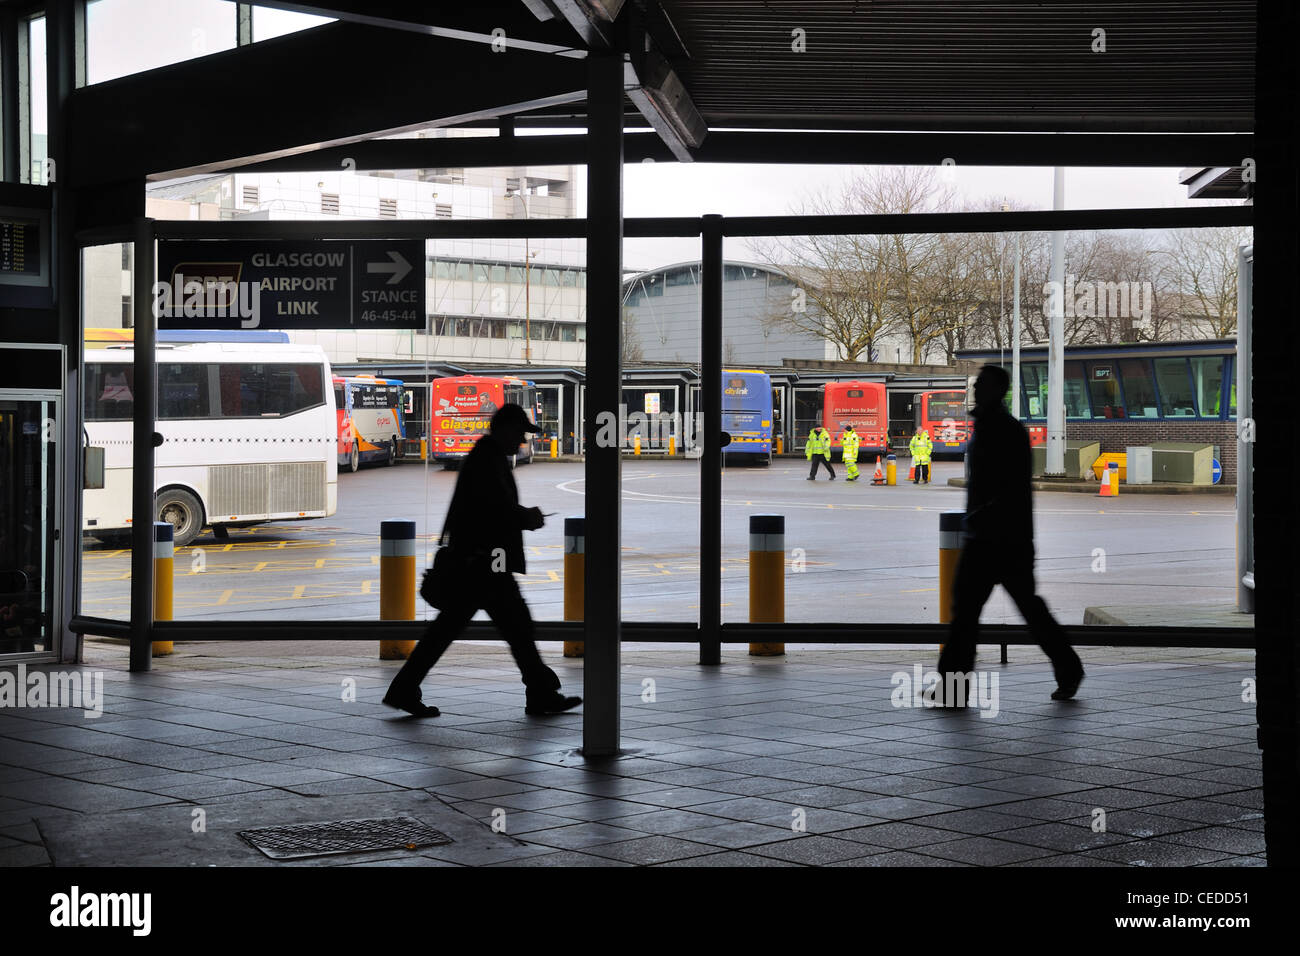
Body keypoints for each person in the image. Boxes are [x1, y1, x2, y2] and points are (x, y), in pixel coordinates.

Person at [383, 404, 582, 718]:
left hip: (479, 564)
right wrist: (527, 517)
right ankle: (541, 693)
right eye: (519, 434)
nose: (521, 442)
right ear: (504, 429)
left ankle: (404, 689)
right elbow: (494, 510)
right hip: (484, 565)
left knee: (456, 631)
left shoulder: (485, 456)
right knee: (516, 627)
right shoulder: (487, 460)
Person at [932, 365, 1084, 705]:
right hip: (1005, 538)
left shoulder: (999, 429)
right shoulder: (998, 427)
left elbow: (1006, 488)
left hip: (994, 539)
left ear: (995, 390)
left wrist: (980, 514)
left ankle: (953, 690)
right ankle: (1069, 668)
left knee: (968, 614)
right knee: (1021, 610)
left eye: (982, 385)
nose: (976, 390)